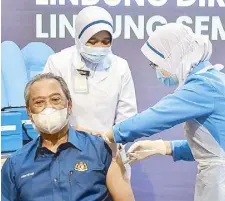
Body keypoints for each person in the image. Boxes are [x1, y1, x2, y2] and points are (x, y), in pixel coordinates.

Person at [100, 23, 225, 201]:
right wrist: (163, 147)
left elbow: (157, 116)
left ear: (172, 56)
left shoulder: (203, 86)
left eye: (155, 64)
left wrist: (111, 134)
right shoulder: (212, 80)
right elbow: (212, 151)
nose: (157, 71)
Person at [1, 73, 135, 201]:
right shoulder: (15, 164)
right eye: (39, 102)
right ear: (29, 113)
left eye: (55, 99)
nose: (48, 108)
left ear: (69, 105)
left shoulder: (100, 149)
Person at [43, 6, 137, 177]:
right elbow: (48, 111)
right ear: (79, 37)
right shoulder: (58, 63)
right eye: (92, 41)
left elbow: (128, 115)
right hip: (65, 149)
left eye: (106, 41)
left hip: (109, 151)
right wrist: (72, 134)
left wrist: (115, 140)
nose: (99, 47)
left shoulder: (120, 66)